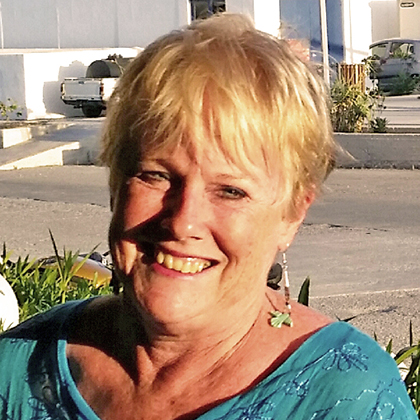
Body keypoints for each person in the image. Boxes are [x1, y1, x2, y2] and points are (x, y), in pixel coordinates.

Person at [0, 13, 416, 420]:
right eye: (156, 176)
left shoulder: (350, 398)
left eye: (231, 191)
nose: (183, 221)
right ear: (116, 184)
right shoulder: (15, 369)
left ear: (292, 215)